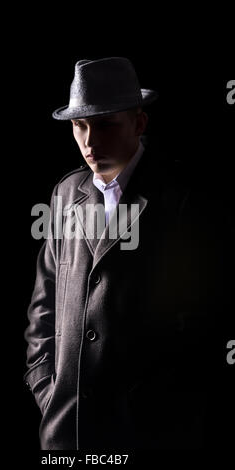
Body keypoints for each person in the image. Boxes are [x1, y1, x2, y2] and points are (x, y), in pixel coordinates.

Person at [24, 57, 228, 450]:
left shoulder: (182, 199)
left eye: (104, 125)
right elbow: (42, 304)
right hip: (66, 432)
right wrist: (46, 387)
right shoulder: (65, 195)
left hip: (145, 436)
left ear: (139, 123)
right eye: (79, 126)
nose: (89, 141)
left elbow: (205, 322)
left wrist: (160, 410)